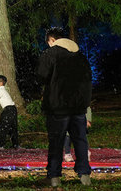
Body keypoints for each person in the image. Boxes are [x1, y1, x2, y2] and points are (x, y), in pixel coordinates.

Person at [36, 27, 92, 187]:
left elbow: (41, 76)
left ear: (52, 40)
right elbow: (88, 80)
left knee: (56, 141)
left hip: (57, 105)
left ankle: (54, 176)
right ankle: (84, 174)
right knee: (80, 140)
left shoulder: (50, 54)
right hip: (79, 107)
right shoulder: (80, 56)